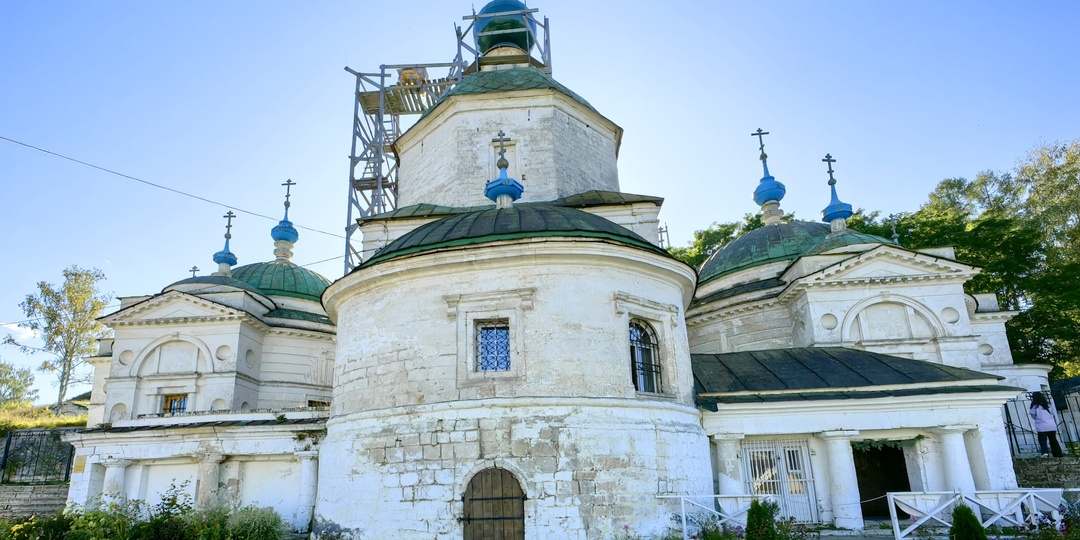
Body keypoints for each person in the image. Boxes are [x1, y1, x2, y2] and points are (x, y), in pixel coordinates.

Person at [1030, 392, 1064, 457]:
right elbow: (1053, 413)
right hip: (1051, 425)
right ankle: (1058, 454)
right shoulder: (1048, 405)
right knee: (1053, 440)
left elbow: (1033, 416)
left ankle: (1045, 453)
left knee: (1042, 440)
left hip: (1041, 426)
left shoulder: (1035, 407)